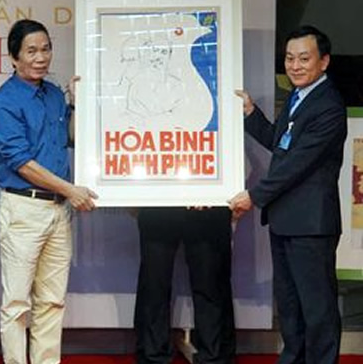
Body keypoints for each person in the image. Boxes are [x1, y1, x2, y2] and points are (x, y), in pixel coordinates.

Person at [229, 25, 346, 364]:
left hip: (311, 225)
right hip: (285, 220)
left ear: (324, 62)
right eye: (290, 58)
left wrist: (253, 196)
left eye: (304, 59)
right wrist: (251, 114)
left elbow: (297, 163)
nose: (295, 66)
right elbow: (280, 144)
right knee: (291, 306)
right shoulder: (299, 97)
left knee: (317, 308)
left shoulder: (329, 105)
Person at [0, 19, 97, 364]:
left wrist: (76, 104)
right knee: (17, 303)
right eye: (31, 51)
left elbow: (70, 140)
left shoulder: (53, 94)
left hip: (58, 209)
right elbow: (22, 163)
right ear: (14, 57)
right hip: (24, 209)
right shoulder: (4, 103)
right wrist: (71, 190)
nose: (41, 57)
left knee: (52, 301)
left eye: (46, 49)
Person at [133, 207, 236, 364]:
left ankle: (214, 357)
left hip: (209, 206)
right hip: (158, 205)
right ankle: (152, 356)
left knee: (211, 284)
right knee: (154, 285)